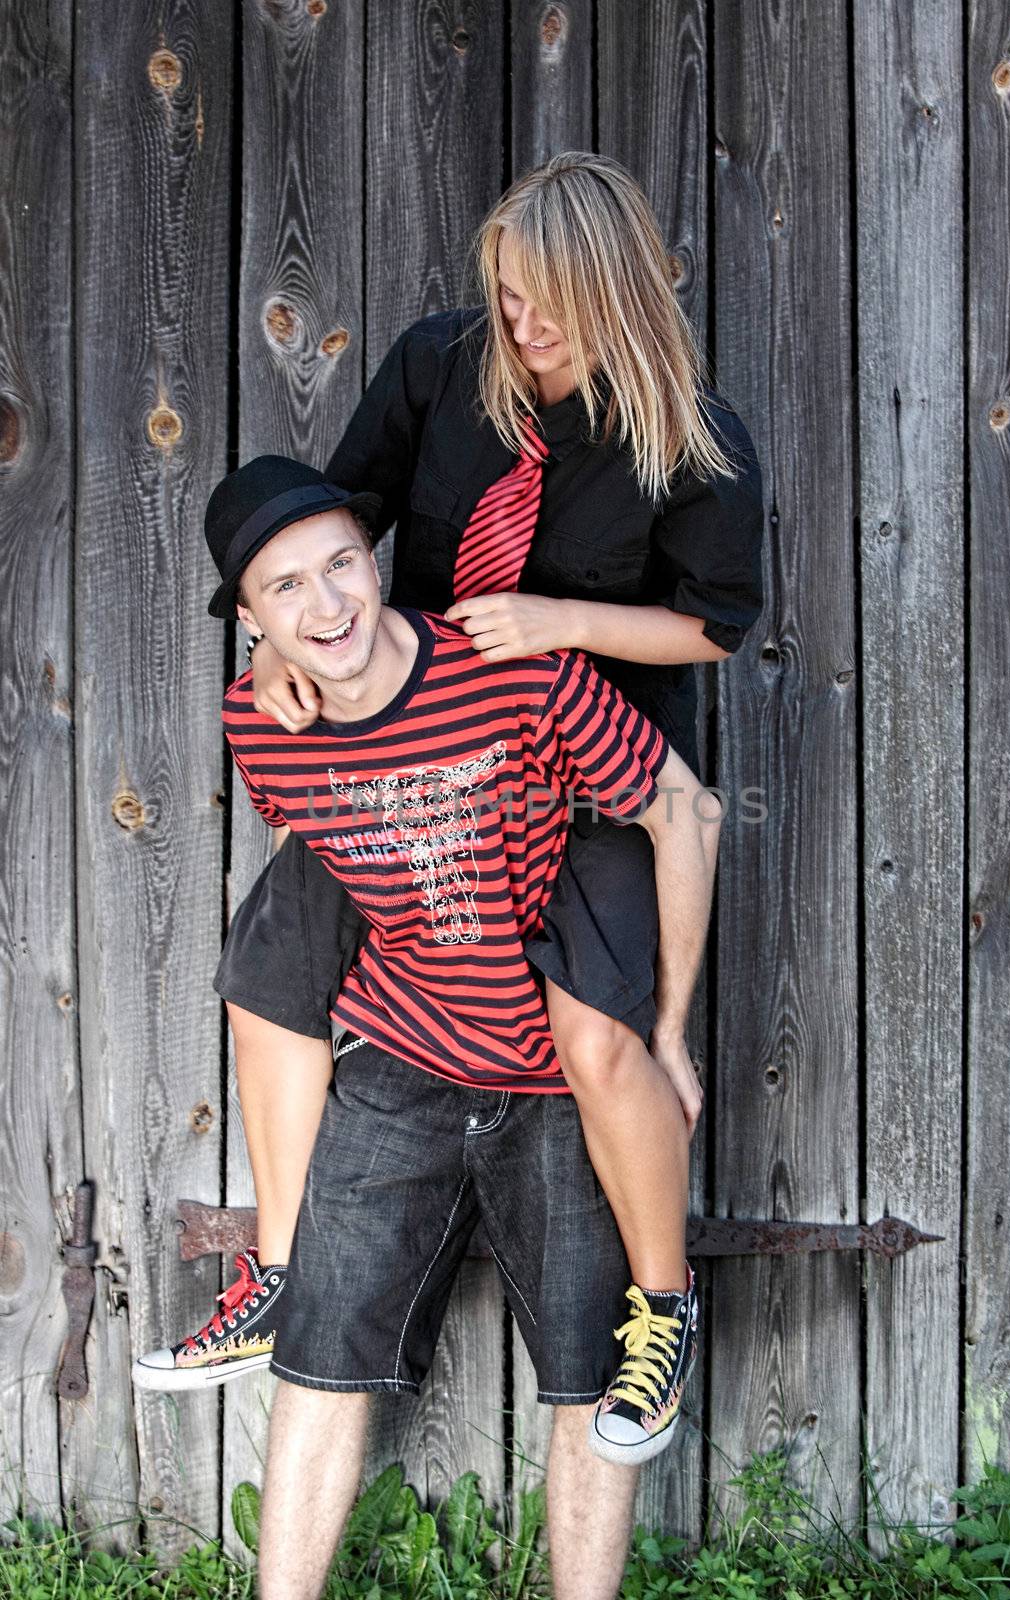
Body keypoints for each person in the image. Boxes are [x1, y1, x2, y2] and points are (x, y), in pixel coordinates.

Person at [134, 154, 764, 1453]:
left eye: (549, 308)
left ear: (620, 295)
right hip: (407, 751)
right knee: (265, 963)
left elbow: (710, 628)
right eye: (507, 298)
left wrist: (555, 622)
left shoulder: (688, 441)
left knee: (601, 1034)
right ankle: (274, 1276)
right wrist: (275, 647)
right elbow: (330, 514)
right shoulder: (439, 365)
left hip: (584, 770)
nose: (521, 331)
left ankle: (659, 1310)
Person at [196, 455, 718, 1597]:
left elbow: (685, 806)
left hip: (553, 1079)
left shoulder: (510, 671)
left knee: (595, 1379)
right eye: (285, 589)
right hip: (398, 1061)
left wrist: (666, 1027)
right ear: (248, 618)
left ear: (372, 557)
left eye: (341, 564)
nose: (327, 605)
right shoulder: (260, 722)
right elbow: (330, 859)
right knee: (318, 1357)